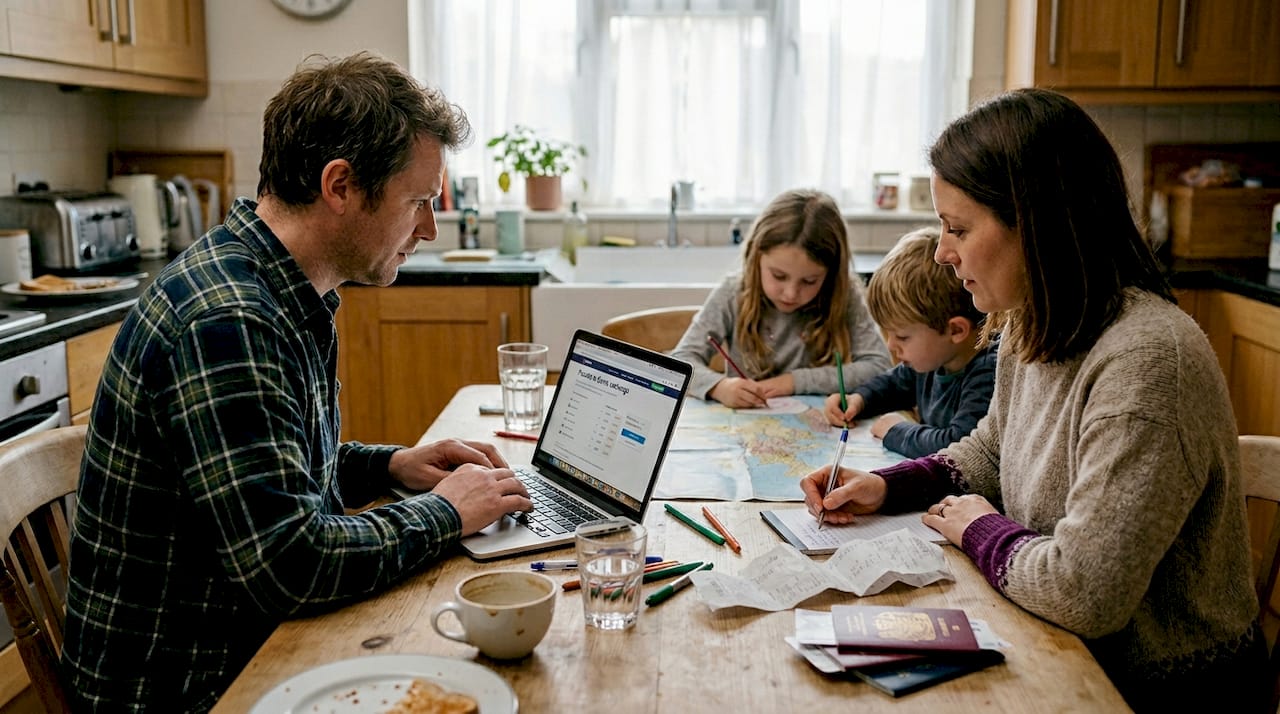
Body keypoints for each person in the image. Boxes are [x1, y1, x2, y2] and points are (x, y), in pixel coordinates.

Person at [60, 52, 533, 711]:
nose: (427, 228)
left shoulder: (280, 285)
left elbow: (271, 470)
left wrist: (391, 466)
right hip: (182, 689)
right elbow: (292, 563)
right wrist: (449, 511)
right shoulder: (230, 320)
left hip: (237, 641)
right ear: (340, 186)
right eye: (418, 202)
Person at [801, 87, 1266, 712]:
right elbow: (996, 447)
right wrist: (891, 487)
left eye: (958, 227)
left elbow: (1084, 592)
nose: (943, 251)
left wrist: (978, 527)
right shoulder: (1031, 320)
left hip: (1150, 688)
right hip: (1053, 642)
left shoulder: (1149, 360)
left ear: (1035, 221)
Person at [670, 189, 891, 408]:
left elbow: (880, 366)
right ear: (756, 257)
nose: (791, 293)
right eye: (778, 276)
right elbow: (680, 361)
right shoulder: (733, 292)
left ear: (831, 274)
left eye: (809, 281)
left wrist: (795, 382)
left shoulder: (844, 296)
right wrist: (719, 387)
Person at [822, 226, 995, 458]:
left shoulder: (987, 372)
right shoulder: (936, 358)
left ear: (955, 330)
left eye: (902, 337)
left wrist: (895, 431)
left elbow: (960, 446)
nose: (891, 346)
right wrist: (860, 399)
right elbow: (896, 383)